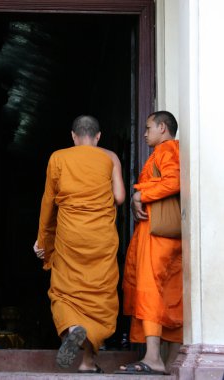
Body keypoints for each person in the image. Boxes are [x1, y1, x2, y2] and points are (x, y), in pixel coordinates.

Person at [33, 115, 125, 373]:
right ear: (98, 137)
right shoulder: (109, 158)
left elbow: (48, 202)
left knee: (64, 291)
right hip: (101, 239)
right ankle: (87, 362)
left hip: (69, 237)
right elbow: (119, 197)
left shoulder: (59, 158)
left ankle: (73, 329)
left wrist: (43, 240)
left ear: (73, 136)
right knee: (99, 295)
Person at [116, 111, 182, 375]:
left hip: (158, 233)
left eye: (148, 128)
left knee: (151, 289)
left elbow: (174, 180)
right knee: (170, 293)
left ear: (162, 128)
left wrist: (142, 194)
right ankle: (169, 362)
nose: (144, 134)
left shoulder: (167, 150)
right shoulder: (167, 151)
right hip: (165, 233)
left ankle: (154, 358)